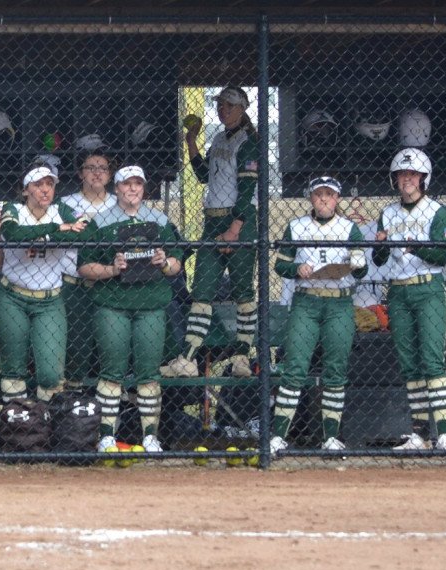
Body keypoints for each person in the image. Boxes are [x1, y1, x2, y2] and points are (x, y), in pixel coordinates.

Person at [78, 165, 184, 453]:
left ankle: (151, 436)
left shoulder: (160, 222)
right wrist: (112, 269)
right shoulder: (100, 223)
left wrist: (164, 262)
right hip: (113, 304)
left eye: (138, 183)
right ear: (117, 188)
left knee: (149, 373)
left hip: (151, 305)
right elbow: (85, 268)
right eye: (127, 184)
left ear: (144, 188)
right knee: (111, 372)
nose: (133, 189)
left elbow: (177, 265)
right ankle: (106, 437)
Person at [164, 87, 260, 379]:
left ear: (242, 109)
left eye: (229, 106)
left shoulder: (250, 141)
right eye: (220, 105)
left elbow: (247, 190)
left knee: (243, 292)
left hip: (239, 220)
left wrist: (234, 228)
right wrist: (191, 142)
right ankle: (189, 358)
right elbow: (204, 174)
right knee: (202, 289)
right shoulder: (219, 138)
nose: (223, 110)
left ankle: (243, 355)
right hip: (212, 219)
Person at [267, 176, 367, 455]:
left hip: (339, 302)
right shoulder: (297, 226)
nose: (324, 199)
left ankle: (331, 437)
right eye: (318, 194)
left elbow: (362, 268)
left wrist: (355, 264)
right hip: (307, 301)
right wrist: (296, 269)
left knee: (335, 369)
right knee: (295, 366)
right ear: (310, 198)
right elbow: (280, 264)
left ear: (337, 199)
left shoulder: (349, 228)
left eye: (329, 194)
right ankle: (278, 437)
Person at [371, 148, 446, 451]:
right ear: (395, 179)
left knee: (432, 360)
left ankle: (443, 433)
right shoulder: (388, 213)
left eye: (413, 174)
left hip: (428, 288)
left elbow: (441, 255)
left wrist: (414, 246)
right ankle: (419, 434)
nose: (407, 179)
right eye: (402, 174)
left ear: (423, 178)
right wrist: (379, 244)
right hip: (398, 290)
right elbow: (379, 260)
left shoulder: (436, 211)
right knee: (409, 364)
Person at [0, 163, 88, 404]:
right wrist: (56, 230)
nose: (45, 190)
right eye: (38, 185)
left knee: (50, 374)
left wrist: (40, 235)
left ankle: (45, 426)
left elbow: (88, 232)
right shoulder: (11, 208)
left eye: (50, 184)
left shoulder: (62, 209)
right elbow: (13, 233)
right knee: (14, 369)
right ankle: (18, 427)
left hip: (49, 300)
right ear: (25, 190)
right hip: (12, 297)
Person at [60, 149, 116, 386]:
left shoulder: (118, 204)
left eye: (102, 168)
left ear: (110, 175)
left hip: (110, 283)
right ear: (80, 173)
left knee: (110, 344)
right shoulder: (65, 204)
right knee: (76, 344)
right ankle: (73, 395)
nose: (96, 173)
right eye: (90, 168)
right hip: (73, 284)